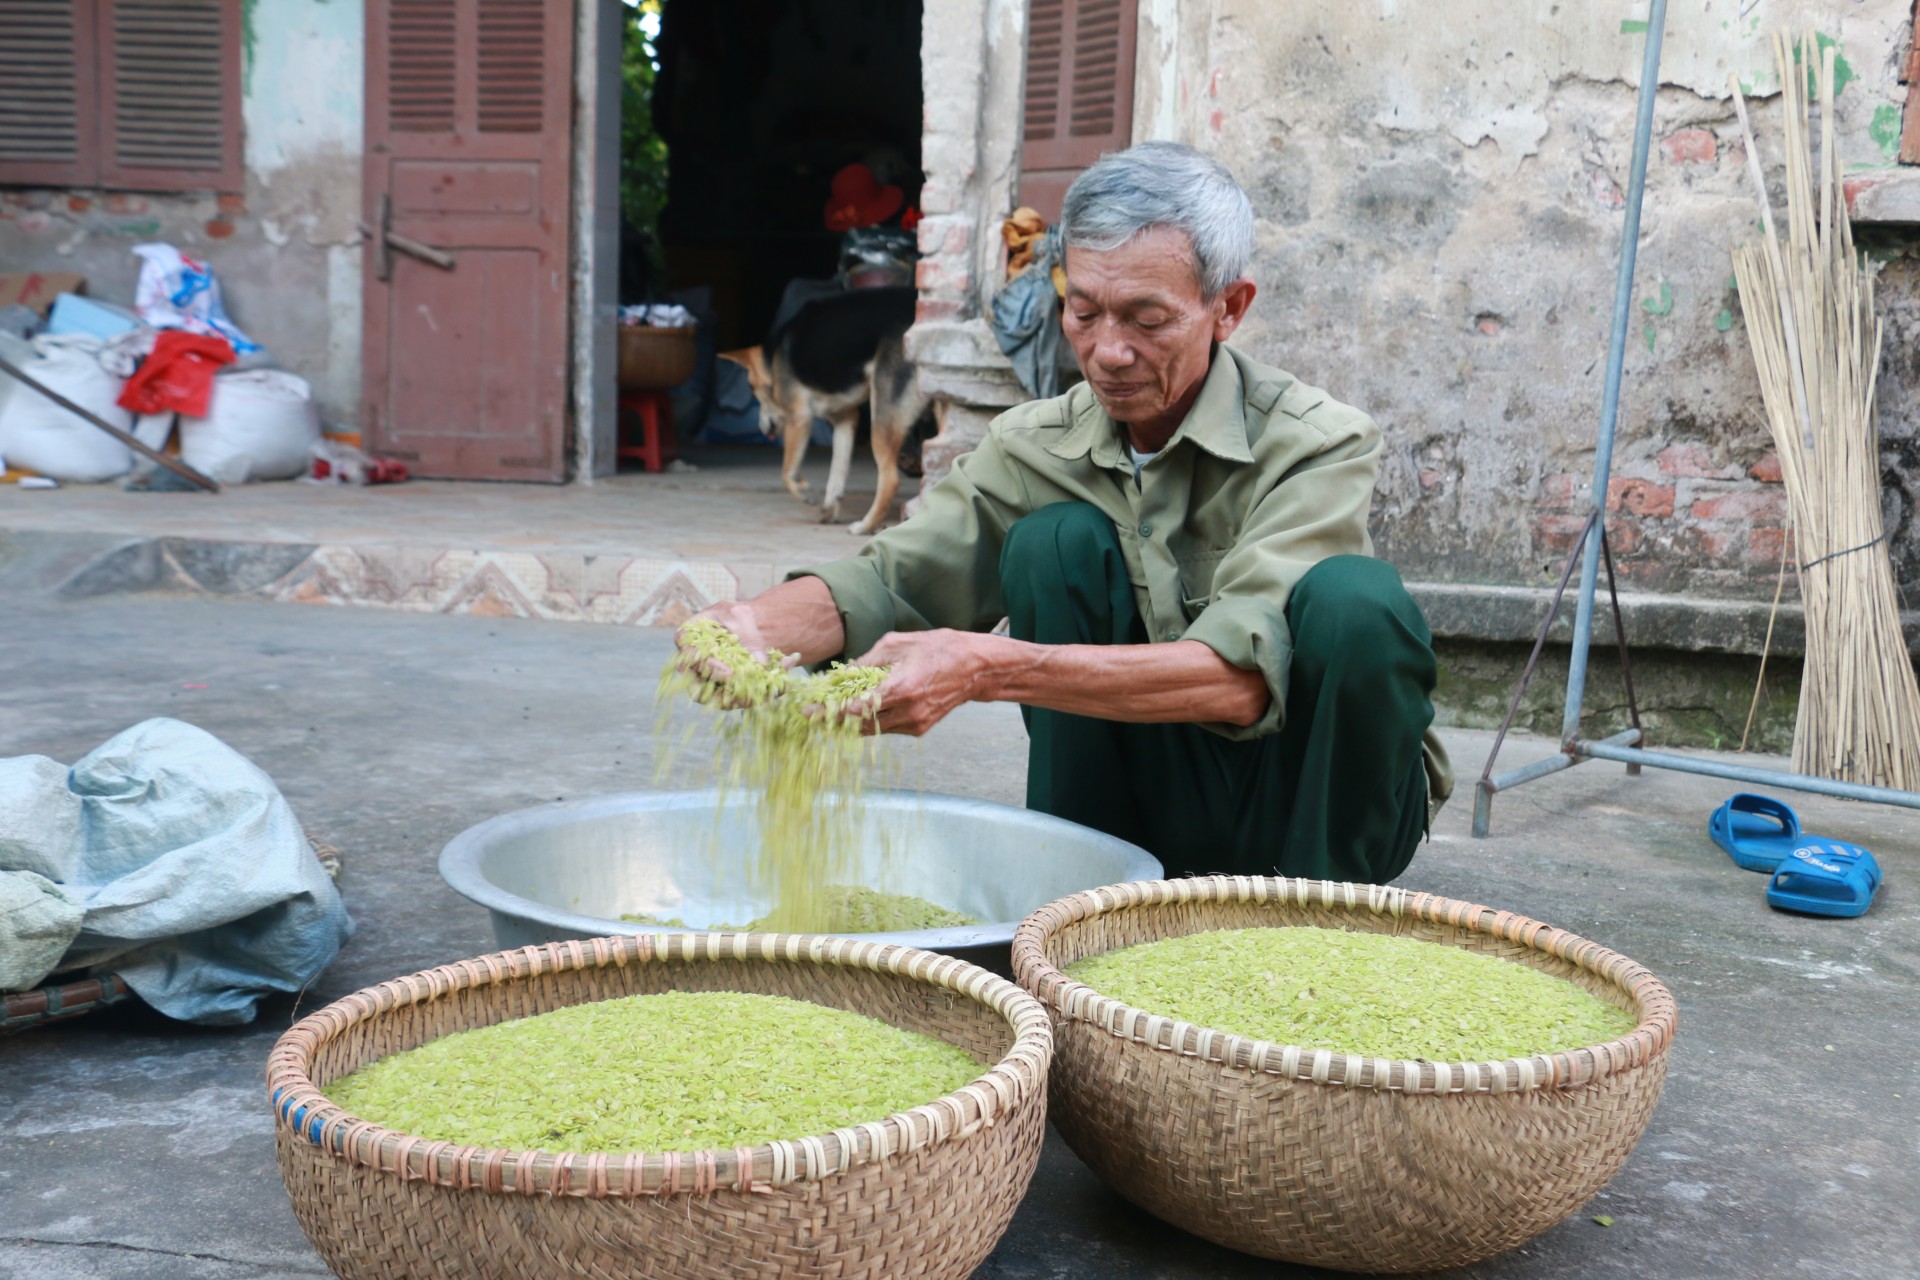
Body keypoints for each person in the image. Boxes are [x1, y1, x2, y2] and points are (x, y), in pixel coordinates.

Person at [680, 141, 1451, 884]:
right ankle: (1086, 894)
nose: (1108, 351)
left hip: (1311, 801)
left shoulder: (1318, 442)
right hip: (1157, 789)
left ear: (1229, 308)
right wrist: (754, 626)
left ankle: (1331, 925)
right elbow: (897, 576)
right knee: (1053, 544)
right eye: (1083, 312)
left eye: (1147, 321)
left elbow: (1242, 683)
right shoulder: (1036, 444)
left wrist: (986, 667)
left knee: (1359, 603)